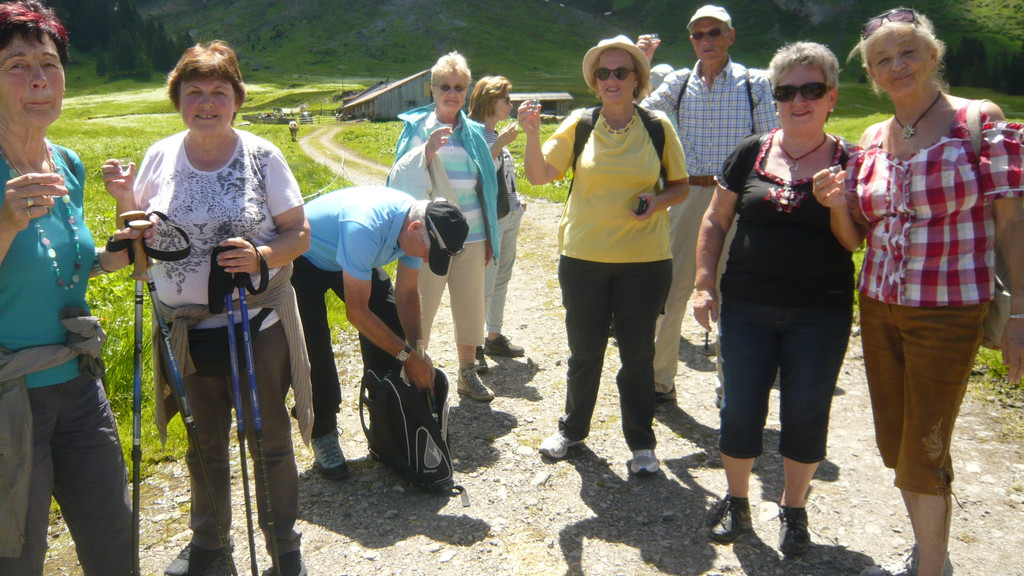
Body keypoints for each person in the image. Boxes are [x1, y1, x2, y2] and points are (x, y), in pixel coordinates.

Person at [818, 9, 1024, 576]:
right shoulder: (870, 138)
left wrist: (1021, 315)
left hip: (951, 306)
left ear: (932, 56)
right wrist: (838, 204)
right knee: (895, 440)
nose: (897, 64)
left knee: (926, 440)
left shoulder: (978, 120)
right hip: (880, 304)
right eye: (883, 58)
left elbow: (1012, 224)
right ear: (873, 74)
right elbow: (855, 236)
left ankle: (931, 565)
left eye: (908, 51)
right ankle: (930, 547)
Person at [105, 41, 312, 576]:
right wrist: (125, 201)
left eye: (219, 91)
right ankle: (210, 545)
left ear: (237, 99)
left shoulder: (263, 155)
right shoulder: (159, 154)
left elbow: (299, 234)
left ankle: (284, 550)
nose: (206, 102)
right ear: (178, 99)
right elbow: (143, 239)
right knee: (203, 445)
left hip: (255, 324)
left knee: (267, 442)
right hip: (186, 330)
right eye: (193, 91)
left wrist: (262, 254)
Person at [693, 42, 857, 558]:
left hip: (821, 311)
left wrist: (834, 205)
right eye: (786, 91)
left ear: (831, 96)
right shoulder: (751, 151)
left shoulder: (852, 159)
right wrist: (703, 282)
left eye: (811, 90)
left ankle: (794, 508)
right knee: (739, 408)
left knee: (806, 413)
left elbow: (855, 241)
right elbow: (715, 220)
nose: (798, 101)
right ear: (776, 97)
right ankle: (737, 500)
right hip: (747, 308)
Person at [0, 3, 137, 574]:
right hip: (10, 400)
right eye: (16, 63)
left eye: (49, 64)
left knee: (114, 543)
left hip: (80, 387)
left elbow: (65, 264)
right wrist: (6, 224)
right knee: (19, 557)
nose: (38, 78)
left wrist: (121, 249)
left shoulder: (70, 165)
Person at [521, 35, 689, 475]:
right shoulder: (579, 124)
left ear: (637, 79)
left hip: (645, 261)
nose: (612, 80)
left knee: (637, 356)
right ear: (594, 82)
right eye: (603, 73)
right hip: (583, 259)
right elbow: (539, 177)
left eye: (621, 72)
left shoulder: (657, 126)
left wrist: (656, 202)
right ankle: (573, 431)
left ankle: (641, 444)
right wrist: (534, 135)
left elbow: (680, 186)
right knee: (584, 352)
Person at [637, 4, 778, 404]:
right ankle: (659, 379)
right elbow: (638, 112)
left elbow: (772, 143)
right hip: (688, 195)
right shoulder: (680, 83)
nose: (706, 41)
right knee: (673, 288)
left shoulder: (755, 83)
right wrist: (642, 64)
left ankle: (730, 386)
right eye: (698, 35)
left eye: (714, 32)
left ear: (730, 36)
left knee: (734, 292)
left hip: (737, 197)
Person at [291, 186, 468, 481]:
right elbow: (356, 313)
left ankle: (385, 418)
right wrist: (406, 357)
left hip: (351, 256)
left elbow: (408, 293)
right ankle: (323, 431)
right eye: (428, 252)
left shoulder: (417, 224)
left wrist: (417, 350)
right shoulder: (365, 226)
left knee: (389, 320)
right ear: (414, 229)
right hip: (306, 258)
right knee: (314, 346)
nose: (426, 260)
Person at [387, 51, 501, 403]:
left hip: (473, 231)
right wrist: (426, 153)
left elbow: (486, 186)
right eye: (444, 86)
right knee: (421, 303)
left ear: (466, 92)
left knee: (470, 303)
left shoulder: (475, 135)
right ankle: (414, 366)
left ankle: (467, 373)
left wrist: (489, 238)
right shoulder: (416, 129)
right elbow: (397, 180)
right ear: (432, 89)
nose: (451, 93)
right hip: (429, 238)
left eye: (459, 87)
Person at [468, 75, 526, 371]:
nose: (510, 104)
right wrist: (501, 142)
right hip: (490, 220)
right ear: (490, 100)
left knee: (501, 278)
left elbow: (503, 176)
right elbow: (476, 176)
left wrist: (518, 200)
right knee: (485, 283)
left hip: (510, 214)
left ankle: (493, 336)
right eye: (506, 99)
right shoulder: (474, 133)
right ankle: (474, 345)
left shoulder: (495, 134)